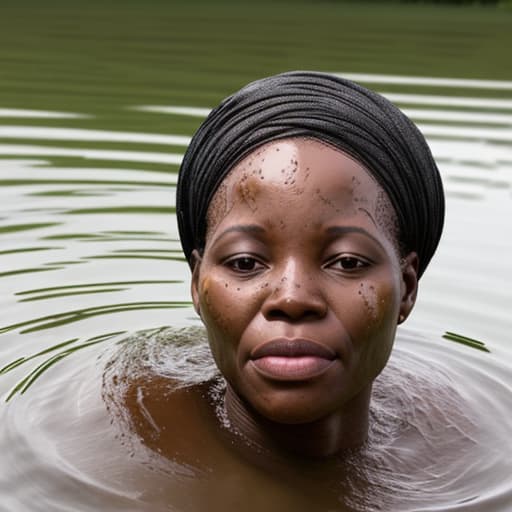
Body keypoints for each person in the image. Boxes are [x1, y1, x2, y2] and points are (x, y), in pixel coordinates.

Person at [104, 71, 460, 511]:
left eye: (347, 262)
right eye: (245, 263)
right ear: (198, 285)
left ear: (406, 288)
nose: (291, 298)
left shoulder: (468, 452)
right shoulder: (109, 445)